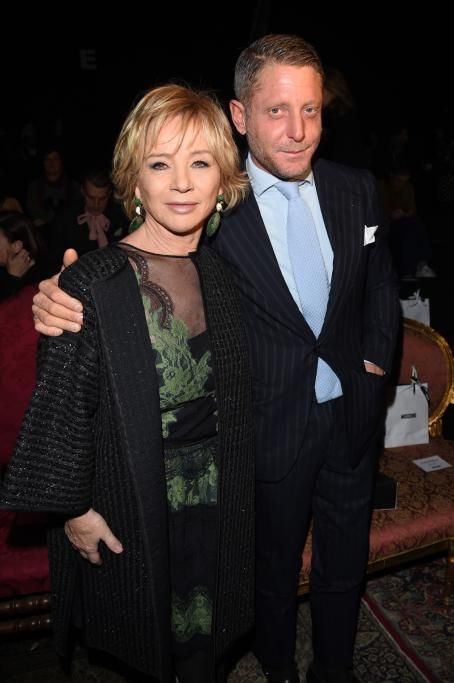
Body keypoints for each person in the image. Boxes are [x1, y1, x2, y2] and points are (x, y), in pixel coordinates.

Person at [30, 34, 400, 683]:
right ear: (240, 115)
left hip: (314, 437)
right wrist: (60, 293)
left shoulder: (338, 196)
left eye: (310, 110)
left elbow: (376, 283)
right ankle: (277, 668)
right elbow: (130, 284)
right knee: (246, 585)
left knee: (311, 581)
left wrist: (373, 361)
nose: (296, 130)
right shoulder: (197, 221)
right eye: (276, 110)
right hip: (235, 446)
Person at [1, 84, 255, 683]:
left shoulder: (221, 273)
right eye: (160, 164)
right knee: (152, 645)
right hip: (134, 498)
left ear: (223, 182)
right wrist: (76, 510)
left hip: (217, 491)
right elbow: (62, 408)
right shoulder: (91, 282)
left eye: (200, 163)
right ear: (134, 184)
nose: (182, 183)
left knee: (207, 644)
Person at [49, 167, 127, 267]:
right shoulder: (66, 217)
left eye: (102, 198)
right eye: (91, 197)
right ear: (83, 191)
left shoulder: (119, 215)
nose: (96, 204)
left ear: (109, 194)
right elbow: (54, 257)